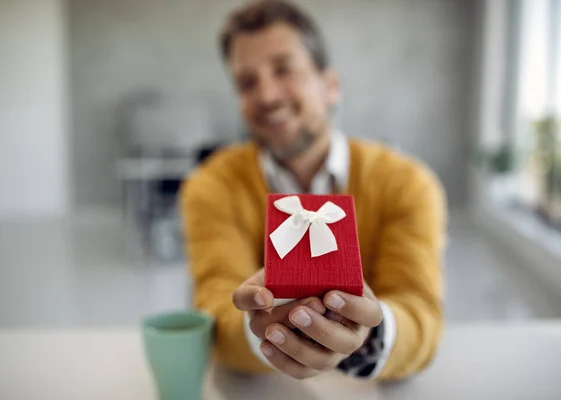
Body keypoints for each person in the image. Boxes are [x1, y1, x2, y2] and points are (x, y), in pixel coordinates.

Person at [182, 0, 445, 381]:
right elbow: (214, 309)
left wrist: (370, 333)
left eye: (284, 69)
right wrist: (263, 333)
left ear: (330, 85)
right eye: (247, 82)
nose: (268, 95)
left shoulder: (407, 183)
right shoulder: (211, 186)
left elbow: (420, 314)